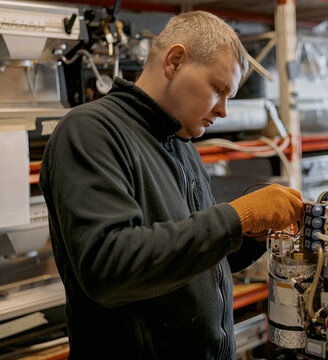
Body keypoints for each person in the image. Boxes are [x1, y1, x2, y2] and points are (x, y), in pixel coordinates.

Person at [39, 11, 303, 360]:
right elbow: (110, 269)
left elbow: (189, 258)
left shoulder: (181, 144)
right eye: (218, 89)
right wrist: (235, 218)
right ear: (175, 61)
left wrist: (249, 234)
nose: (223, 110)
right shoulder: (91, 131)